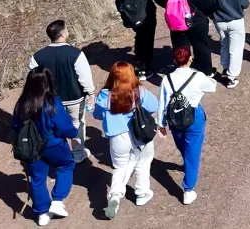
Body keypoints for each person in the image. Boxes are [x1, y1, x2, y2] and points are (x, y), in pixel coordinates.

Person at [13, 67, 80, 226]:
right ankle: (57, 200)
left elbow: (16, 127)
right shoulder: (52, 101)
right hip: (54, 144)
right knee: (65, 166)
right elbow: (64, 126)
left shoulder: (21, 104)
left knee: (37, 178)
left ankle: (42, 213)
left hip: (31, 148)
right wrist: (73, 132)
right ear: (47, 82)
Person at [93, 61, 159, 216]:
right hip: (139, 133)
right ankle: (142, 194)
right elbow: (154, 106)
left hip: (117, 138)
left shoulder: (104, 96)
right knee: (143, 163)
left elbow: (97, 115)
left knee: (120, 167)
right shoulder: (138, 91)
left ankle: (115, 195)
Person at [28, 20, 95, 164]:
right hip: (74, 98)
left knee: (52, 126)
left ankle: (59, 153)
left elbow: (32, 79)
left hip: (49, 100)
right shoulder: (75, 54)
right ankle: (77, 153)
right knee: (77, 124)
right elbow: (84, 77)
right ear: (63, 34)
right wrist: (90, 92)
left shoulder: (37, 56)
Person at [157, 45, 215, 205]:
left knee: (181, 143)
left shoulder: (166, 79)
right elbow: (212, 87)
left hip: (174, 118)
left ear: (175, 60)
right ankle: (188, 190)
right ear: (190, 59)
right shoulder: (198, 76)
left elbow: (162, 102)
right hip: (194, 116)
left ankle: (187, 164)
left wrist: (161, 124)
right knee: (193, 152)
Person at [162, 0, 216, 76]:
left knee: (180, 48)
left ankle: (182, 73)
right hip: (196, 22)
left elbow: (164, 0)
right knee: (201, 47)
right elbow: (209, 4)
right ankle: (206, 71)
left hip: (176, 21)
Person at [116, 0, 163, 79]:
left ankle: (138, 65)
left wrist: (126, 15)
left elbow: (118, 2)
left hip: (132, 19)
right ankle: (144, 68)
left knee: (139, 38)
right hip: (148, 17)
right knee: (147, 40)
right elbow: (161, 0)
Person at [209, 0, 249, 89]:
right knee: (236, 50)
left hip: (220, 22)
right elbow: (245, 3)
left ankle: (225, 68)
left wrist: (214, 17)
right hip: (235, 21)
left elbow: (209, 4)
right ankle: (231, 77)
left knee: (224, 45)